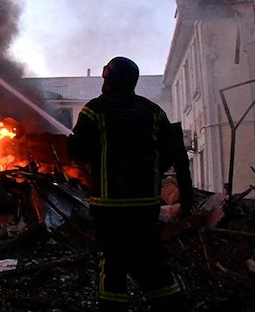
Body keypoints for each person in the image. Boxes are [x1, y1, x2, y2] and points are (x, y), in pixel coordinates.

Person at [68, 56, 193, 312]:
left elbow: (77, 152)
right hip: (145, 207)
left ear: (110, 78)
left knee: (110, 263)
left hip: (109, 206)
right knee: (151, 260)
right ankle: (172, 305)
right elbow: (172, 154)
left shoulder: (95, 111)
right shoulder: (154, 112)